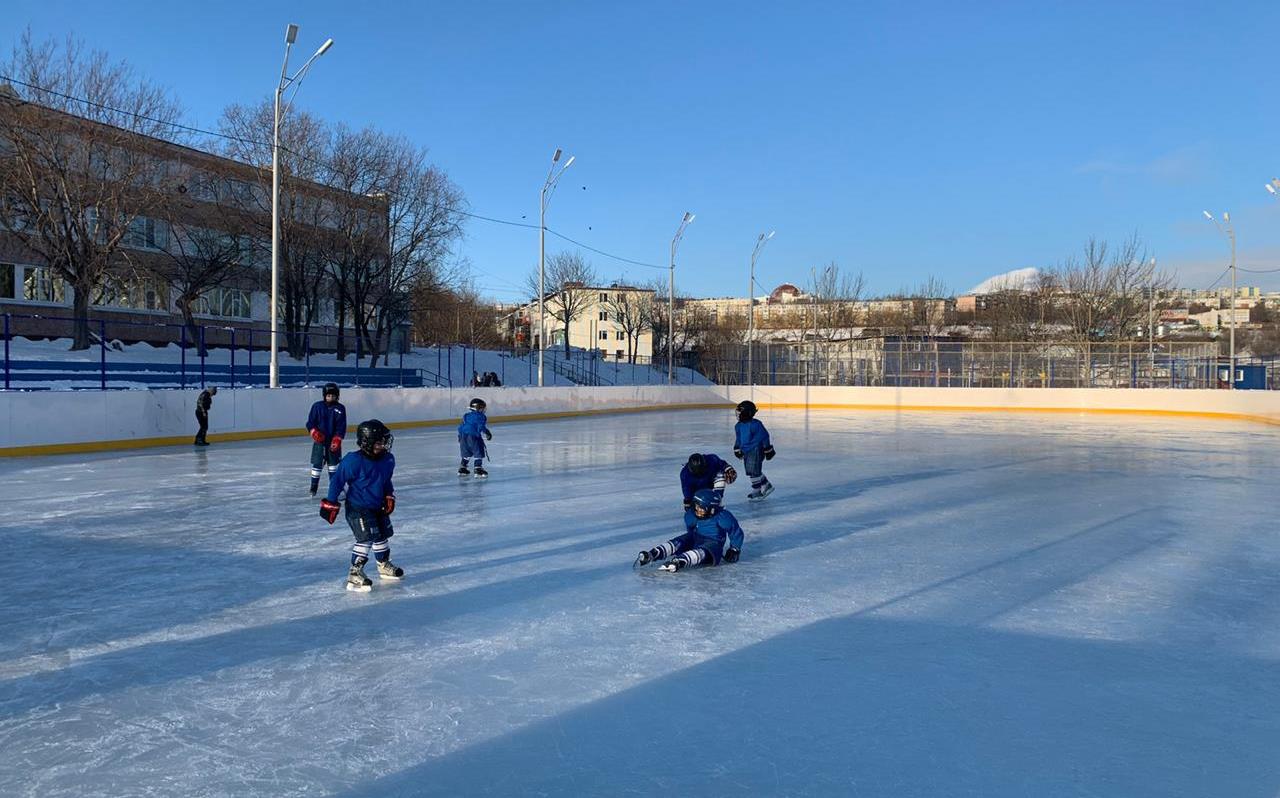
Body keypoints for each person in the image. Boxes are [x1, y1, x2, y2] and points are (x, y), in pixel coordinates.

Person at [320, 419, 403, 592]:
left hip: (377, 504)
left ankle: (383, 565)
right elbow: (337, 481)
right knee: (366, 538)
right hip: (358, 507)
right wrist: (330, 502)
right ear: (367, 442)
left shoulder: (388, 459)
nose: (385, 445)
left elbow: (386, 480)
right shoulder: (353, 461)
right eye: (380, 441)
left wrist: (389, 495)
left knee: (382, 535)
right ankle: (355, 572)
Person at [633, 489, 744, 572]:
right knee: (681, 540)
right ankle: (655, 553)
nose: (697, 511)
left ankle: (682, 560)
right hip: (696, 537)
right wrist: (688, 539)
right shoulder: (693, 515)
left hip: (713, 543)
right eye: (696, 507)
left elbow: (735, 531)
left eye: (701, 509)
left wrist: (734, 549)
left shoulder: (722, 517)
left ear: (712, 509)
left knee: (704, 550)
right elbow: (690, 527)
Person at [305, 382, 347, 497]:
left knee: (334, 467)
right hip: (320, 442)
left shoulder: (340, 408)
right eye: (328, 396)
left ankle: (336, 489)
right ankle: (313, 488)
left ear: (337, 396)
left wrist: (338, 438)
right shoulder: (317, 407)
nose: (330, 398)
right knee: (317, 465)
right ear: (324, 395)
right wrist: (314, 432)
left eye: (333, 396)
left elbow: (341, 426)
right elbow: (310, 423)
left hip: (333, 443)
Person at [733, 400, 776, 501]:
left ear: (747, 413)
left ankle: (757, 491)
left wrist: (767, 448)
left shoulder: (756, 424)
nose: (738, 415)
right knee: (751, 471)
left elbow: (764, 436)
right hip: (746, 451)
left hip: (756, 449)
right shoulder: (738, 426)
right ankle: (766, 485)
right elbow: (738, 438)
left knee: (753, 471)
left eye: (740, 413)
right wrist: (736, 448)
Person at [457, 397, 493, 477]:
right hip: (473, 437)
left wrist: (460, 436)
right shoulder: (481, 416)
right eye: (482, 408)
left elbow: (460, 427)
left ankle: (462, 468)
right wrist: (487, 432)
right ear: (478, 409)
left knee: (466, 452)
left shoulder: (466, 416)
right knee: (478, 452)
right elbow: (481, 426)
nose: (483, 410)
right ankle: (478, 469)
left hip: (463, 436)